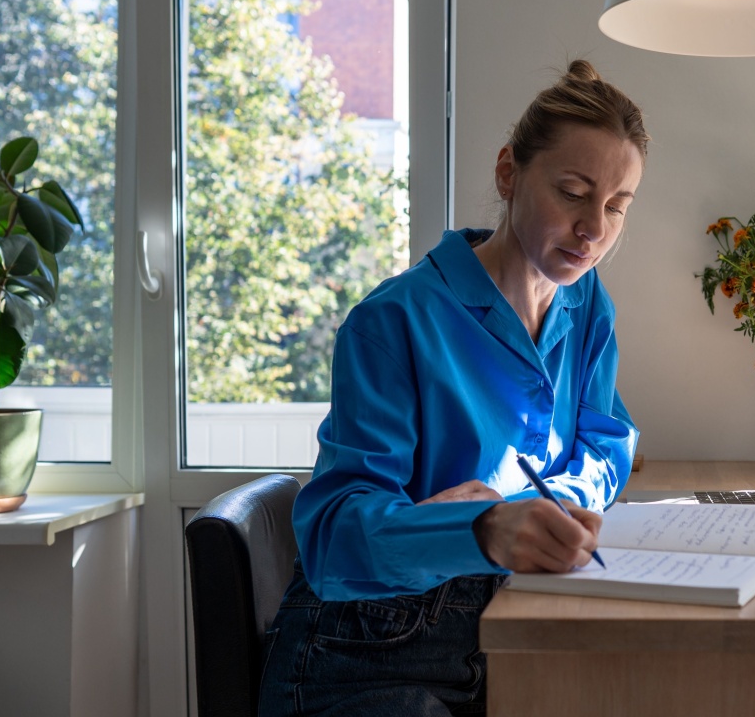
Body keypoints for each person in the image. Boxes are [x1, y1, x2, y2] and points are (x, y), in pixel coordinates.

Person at [258, 60, 647, 717]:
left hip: (503, 626)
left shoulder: (587, 308)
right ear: (508, 173)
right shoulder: (394, 321)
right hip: (364, 651)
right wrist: (482, 528)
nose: (595, 230)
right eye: (574, 193)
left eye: (615, 206)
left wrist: (552, 507)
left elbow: (607, 441)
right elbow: (332, 534)